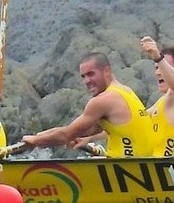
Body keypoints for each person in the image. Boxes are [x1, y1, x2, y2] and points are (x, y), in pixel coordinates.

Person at [22, 52, 161, 156]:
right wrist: (39, 135)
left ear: (106, 71)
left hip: (126, 167)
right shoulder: (125, 90)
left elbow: (66, 135)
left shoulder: (103, 100)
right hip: (137, 163)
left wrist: (35, 141)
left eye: (91, 74)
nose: (87, 81)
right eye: (83, 76)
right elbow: (88, 129)